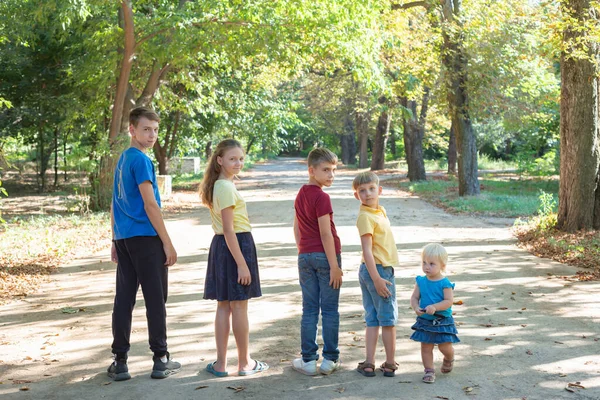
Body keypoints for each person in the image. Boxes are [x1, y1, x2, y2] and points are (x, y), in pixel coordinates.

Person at [108, 106, 181, 381]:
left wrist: (115, 238)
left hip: (126, 239)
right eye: (146, 129)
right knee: (155, 299)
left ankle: (120, 361)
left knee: (124, 300)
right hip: (146, 239)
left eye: (155, 130)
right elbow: (150, 204)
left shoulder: (123, 160)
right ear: (132, 130)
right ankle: (160, 359)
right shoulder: (140, 160)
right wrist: (168, 243)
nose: (152, 135)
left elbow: (114, 204)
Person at [199, 139, 268, 377]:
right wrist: (242, 264)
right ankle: (244, 363)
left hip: (223, 246)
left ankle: (221, 364)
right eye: (232, 159)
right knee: (238, 306)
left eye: (240, 158)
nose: (238, 163)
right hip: (235, 246)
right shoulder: (226, 187)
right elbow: (229, 230)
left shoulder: (220, 185)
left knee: (224, 306)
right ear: (219, 160)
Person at [292, 148, 343, 376]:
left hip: (305, 257)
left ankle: (308, 361)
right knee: (330, 309)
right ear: (311, 171)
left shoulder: (301, 194)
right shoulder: (322, 197)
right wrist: (334, 266)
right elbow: (326, 234)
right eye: (326, 170)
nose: (331, 175)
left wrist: (302, 251)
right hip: (325, 258)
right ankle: (329, 359)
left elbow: (296, 228)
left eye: (333, 170)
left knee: (310, 309)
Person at [352, 171, 400, 378]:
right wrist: (378, 278)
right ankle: (388, 363)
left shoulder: (380, 211)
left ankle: (370, 363)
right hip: (376, 271)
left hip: (377, 270)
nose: (368, 193)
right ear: (357, 196)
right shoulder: (365, 217)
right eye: (362, 191)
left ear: (379, 190)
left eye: (371, 189)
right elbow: (367, 250)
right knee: (387, 319)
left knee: (374, 317)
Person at [410, 243, 460, 384]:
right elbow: (414, 297)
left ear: (442, 265)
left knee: (445, 346)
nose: (427, 267)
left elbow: (449, 301)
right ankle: (429, 370)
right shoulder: (421, 281)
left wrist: (435, 307)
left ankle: (449, 358)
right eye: (424, 263)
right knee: (426, 346)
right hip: (425, 320)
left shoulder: (445, 283)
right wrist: (415, 307)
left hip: (442, 320)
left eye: (432, 264)